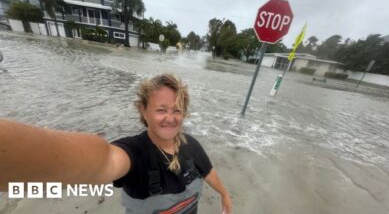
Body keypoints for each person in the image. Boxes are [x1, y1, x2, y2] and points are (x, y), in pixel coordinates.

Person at [0, 74, 232, 214]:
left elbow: (208, 170)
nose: (170, 118)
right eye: (161, 110)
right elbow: (103, 161)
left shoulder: (191, 144)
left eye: (177, 110)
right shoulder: (134, 153)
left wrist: (224, 194)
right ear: (144, 111)